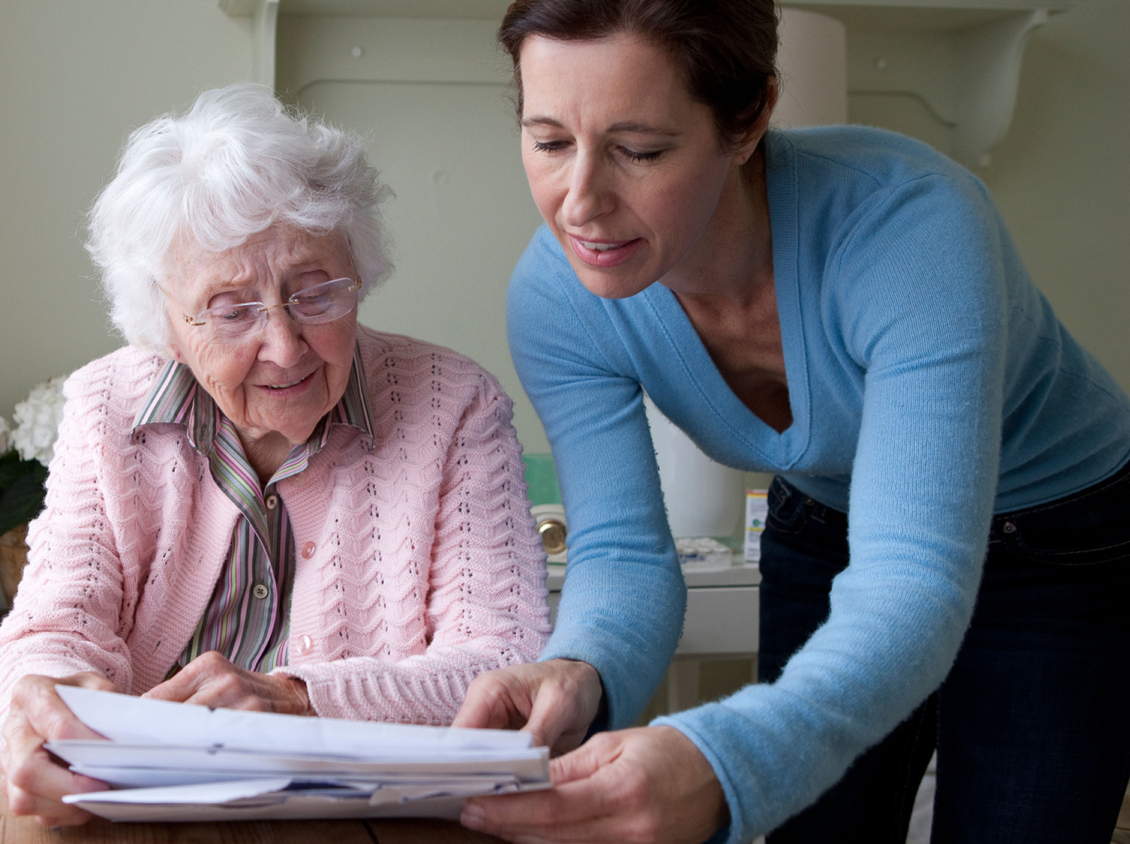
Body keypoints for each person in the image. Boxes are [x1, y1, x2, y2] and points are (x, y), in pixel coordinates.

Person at [451, 1, 1130, 843]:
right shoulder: (558, 298)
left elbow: (911, 580)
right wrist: (578, 665)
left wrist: (723, 758)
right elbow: (620, 551)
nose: (579, 204)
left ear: (749, 120)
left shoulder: (913, 227)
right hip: (826, 517)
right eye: (549, 141)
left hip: (1065, 541)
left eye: (639, 150)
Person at [0, 83, 551, 826]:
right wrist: (41, 701)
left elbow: (501, 665)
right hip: (116, 818)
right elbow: (50, 625)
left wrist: (295, 701)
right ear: (167, 326)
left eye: (316, 293)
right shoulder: (107, 407)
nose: (283, 346)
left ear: (359, 276)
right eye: (231, 309)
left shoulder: (455, 405)